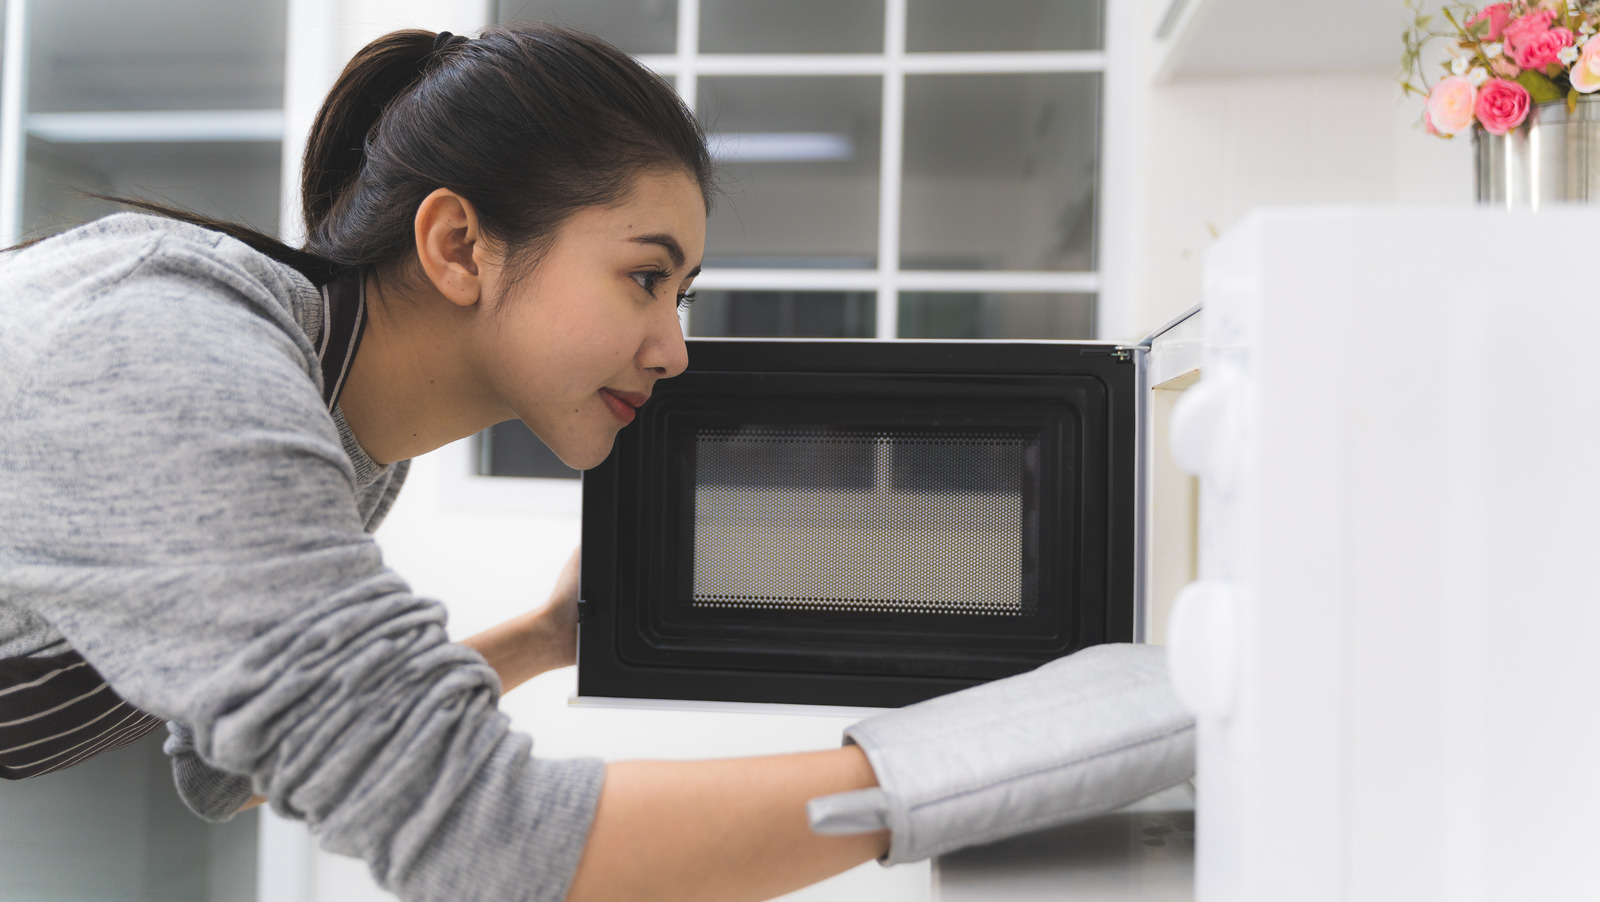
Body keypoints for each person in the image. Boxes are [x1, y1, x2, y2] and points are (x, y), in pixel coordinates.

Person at [0, 23, 1194, 902]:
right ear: (458, 243)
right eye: (643, 275)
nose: (674, 347)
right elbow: (497, 843)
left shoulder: (348, 436)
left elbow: (224, 765)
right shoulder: (161, 359)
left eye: (682, 294)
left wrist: (541, 637)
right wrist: (1036, 748)